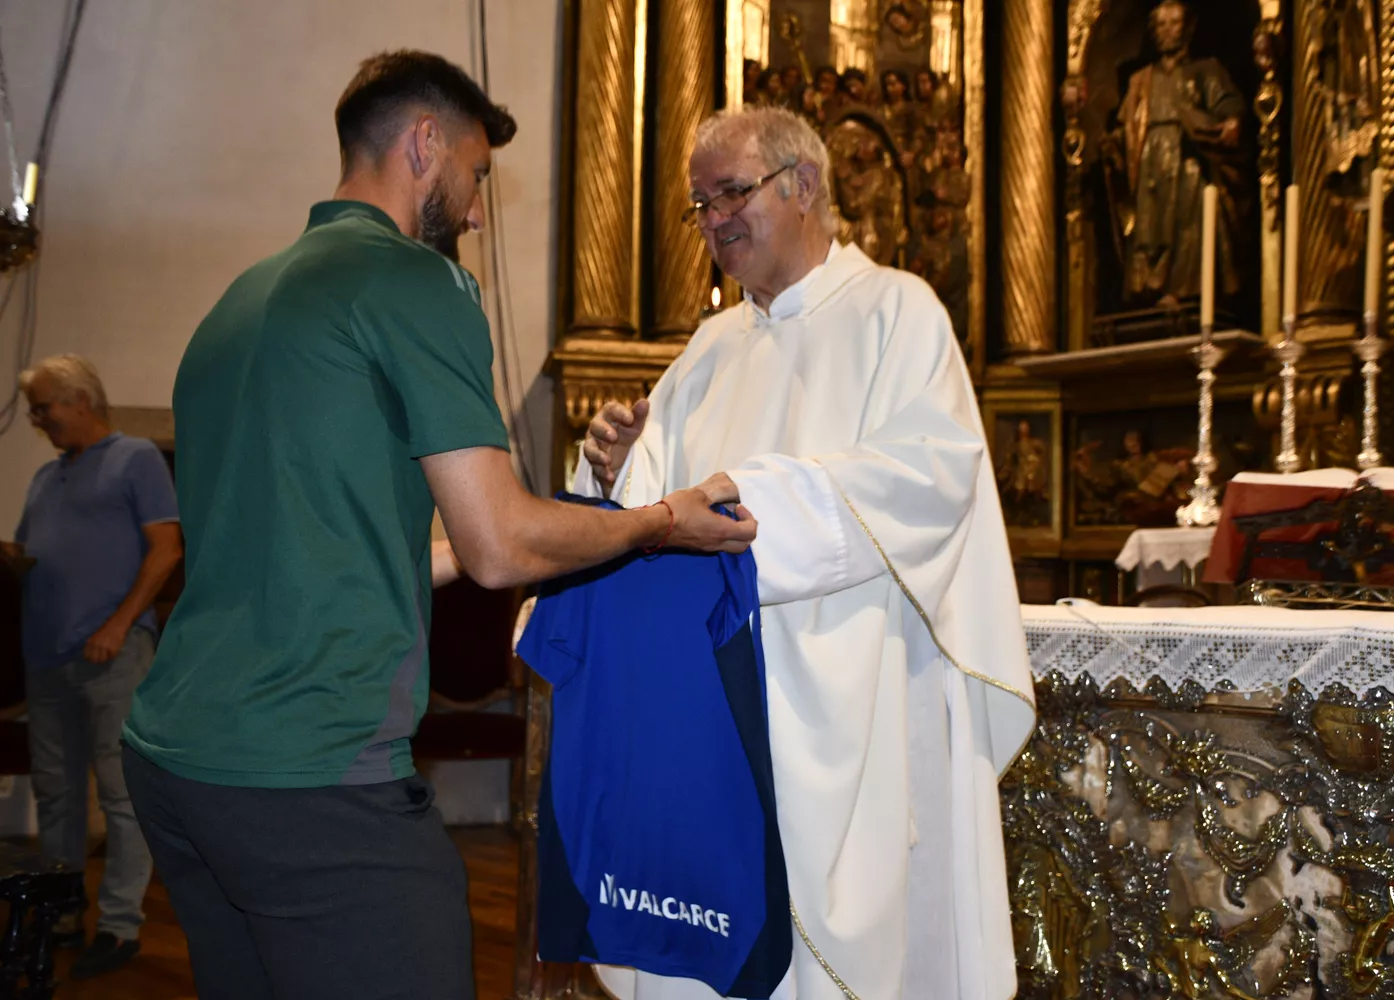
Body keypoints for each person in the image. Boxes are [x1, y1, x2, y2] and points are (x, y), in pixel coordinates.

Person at [119, 50, 754, 1000]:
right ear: (425, 144)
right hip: (307, 770)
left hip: (174, 761)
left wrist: (449, 555)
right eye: (477, 177)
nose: (477, 213)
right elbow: (507, 547)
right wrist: (662, 521)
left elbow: (291, 548)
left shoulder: (239, 303)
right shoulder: (415, 283)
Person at [578, 106, 1036, 1000]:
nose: (712, 220)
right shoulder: (710, 348)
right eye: (699, 204)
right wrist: (617, 471)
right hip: (715, 709)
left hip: (848, 698)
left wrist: (746, 511)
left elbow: (929, 478)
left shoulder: (897, 312)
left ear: (805, 185)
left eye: (730, 193)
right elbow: (653, 516)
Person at [7, 354, 182, 979]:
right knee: (56, 796)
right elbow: (30, 554)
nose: (38, 420)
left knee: (122, 795)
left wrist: (117, 624)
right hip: (47, 658)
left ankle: (119, 926)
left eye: (44, 406)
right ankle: (61, 911)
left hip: (114, 655)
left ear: (82, 400)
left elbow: (167, 549)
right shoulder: (44, 479)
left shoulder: (134, 457)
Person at [1105, 0, 1247, 306]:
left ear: (1188, 27)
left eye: (1173, 23)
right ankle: (1148, 289)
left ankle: (1182, 289)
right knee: (1148, 227)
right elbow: (1126, 124)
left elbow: (1228, 106)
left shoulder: (1205, 70)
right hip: (1148, 158)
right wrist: (1113, 144)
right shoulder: (1140, 79)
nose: (1166, 31)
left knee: (1187, 223)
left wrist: (1230, 123)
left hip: (1188, 156)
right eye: (1160, 24)